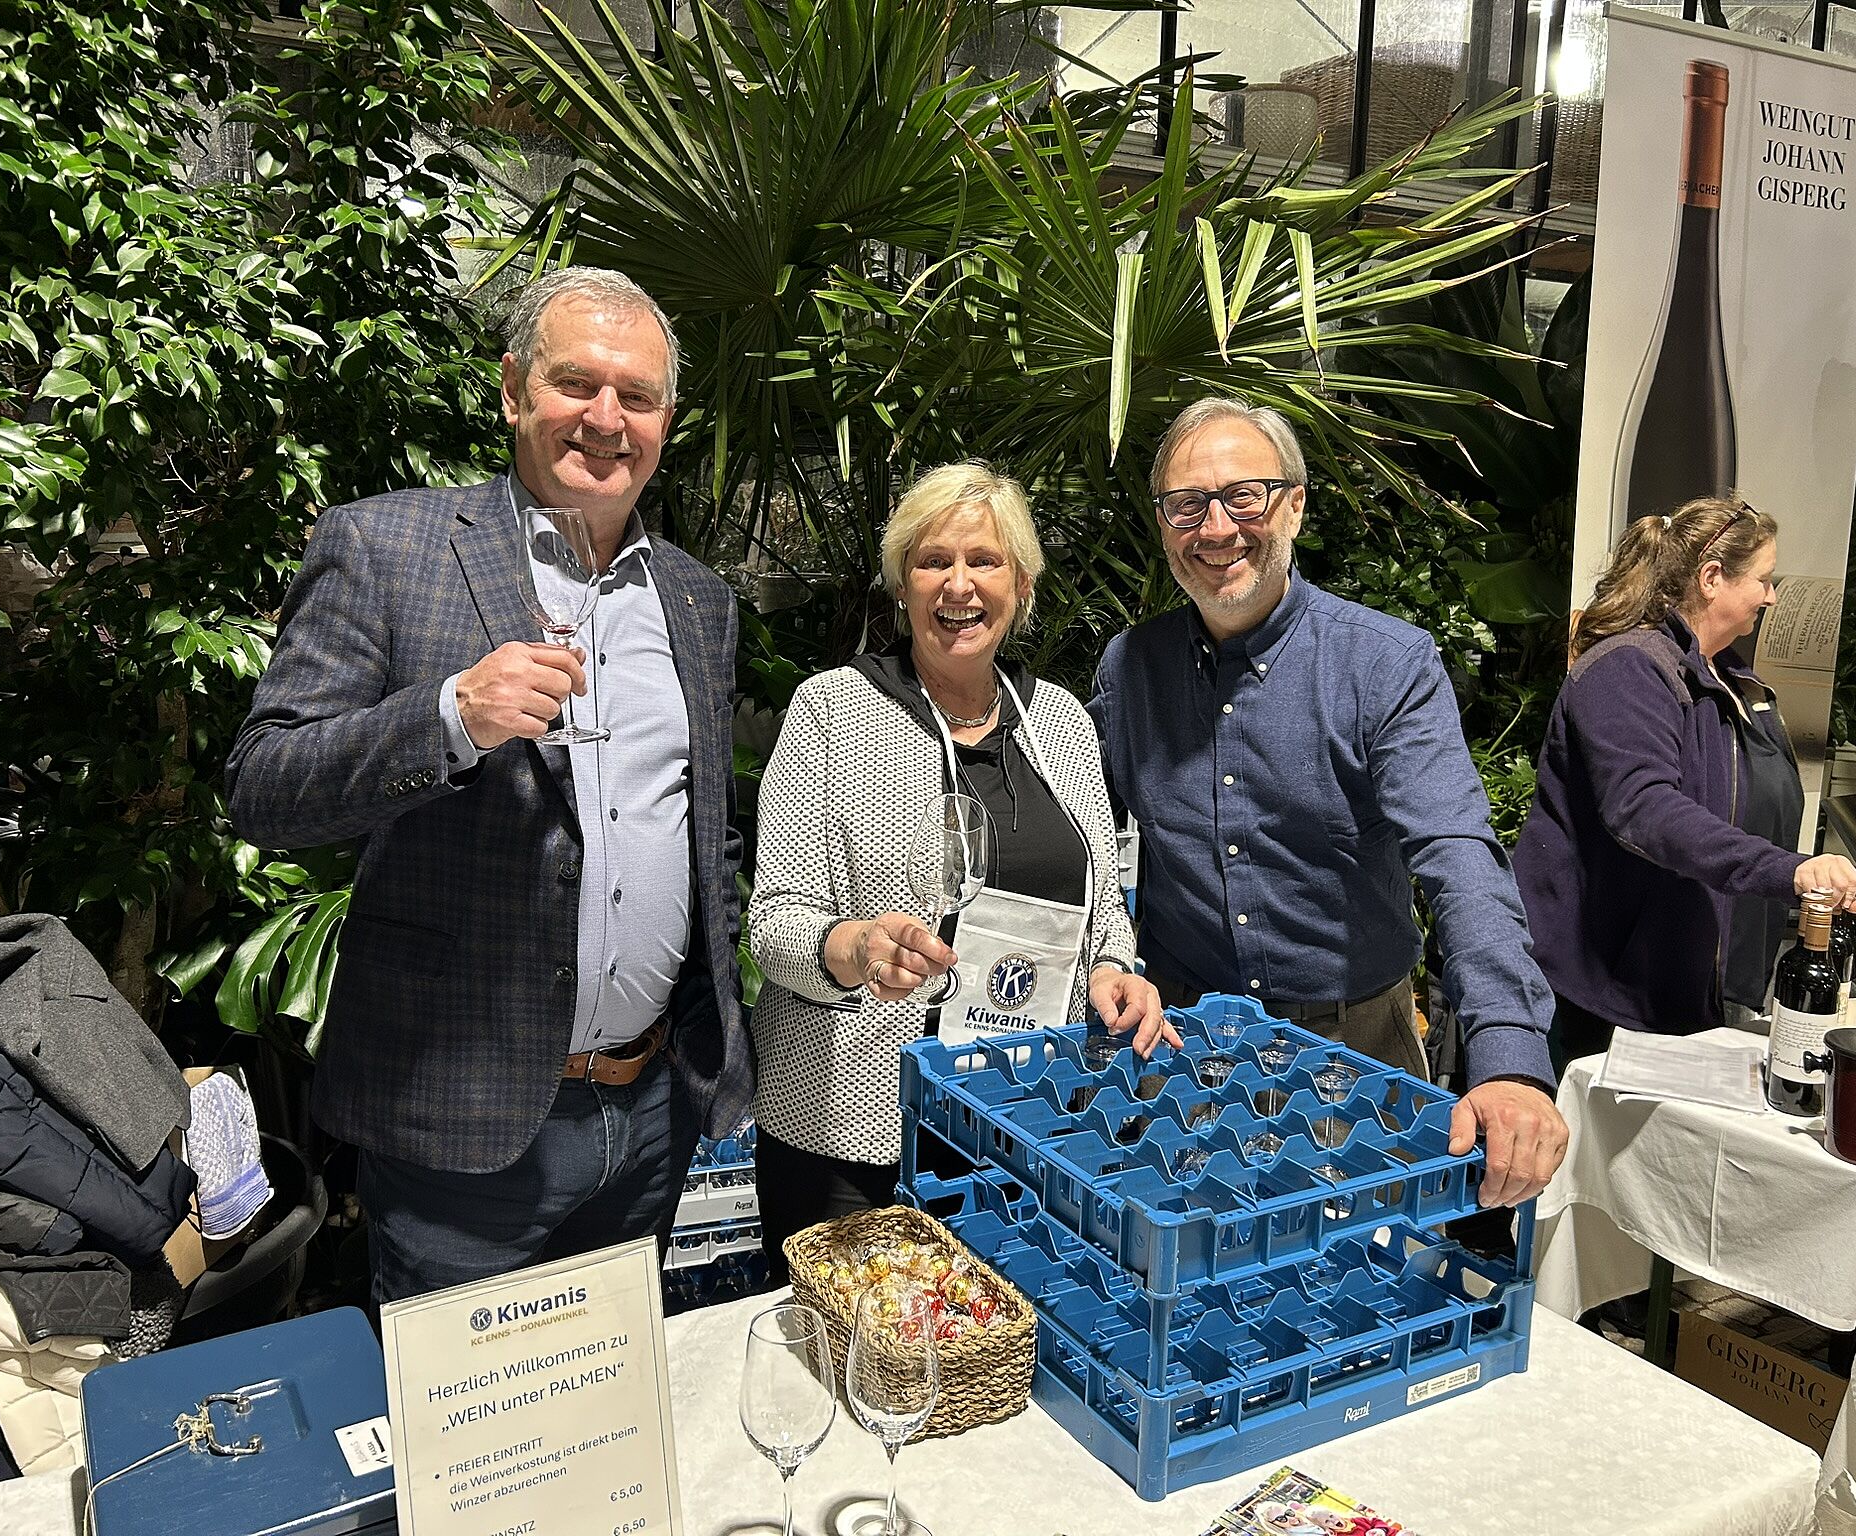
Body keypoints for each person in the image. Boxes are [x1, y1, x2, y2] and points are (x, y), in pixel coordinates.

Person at [226, 267, 751, 1303]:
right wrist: (448, 718)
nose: (606, 419)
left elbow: (706, 836)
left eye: (637, 396)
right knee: (468, 1408)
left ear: (666, 421)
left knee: (614, 1393)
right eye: (575, 384)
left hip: (652, 1112)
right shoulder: (387, 546)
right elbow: (264, 785)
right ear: (513, 390)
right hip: (459, 1123)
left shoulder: (698, 600)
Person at [1090, 396, 1568, 1210]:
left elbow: (1456, 853)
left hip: (1355, 1053)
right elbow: (1085, 840)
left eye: (1244, 497)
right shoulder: (1130, 668)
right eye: (1187, 505)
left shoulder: (1386, 665)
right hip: (1180, 1049)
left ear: (1295, 505)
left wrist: (1511, 1059)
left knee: (1365, 1261)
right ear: (1164, 524)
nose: (1216, 528)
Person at [747, 462, 1169, 1277]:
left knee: (1008, 1342)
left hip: (1024, 1122)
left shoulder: (1061, 722)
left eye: (985, 561)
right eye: (933, 561)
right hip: (851, 1130)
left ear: (1022, 585)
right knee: (861, 1346)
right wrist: (854, 948)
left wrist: (1114, 969)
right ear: (902, 584)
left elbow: (1102, 907)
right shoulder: (832, 710)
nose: (959, 585)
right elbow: (775, 921)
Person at [1512, 496, 1856, 1070]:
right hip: (1599, 997)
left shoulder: (1732, 683)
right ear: (1711, 578)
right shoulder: (1627, 668)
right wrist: (1788, 870)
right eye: (1763, 580)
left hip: (1684, 994)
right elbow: (1643, 809)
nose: (1771, 597)